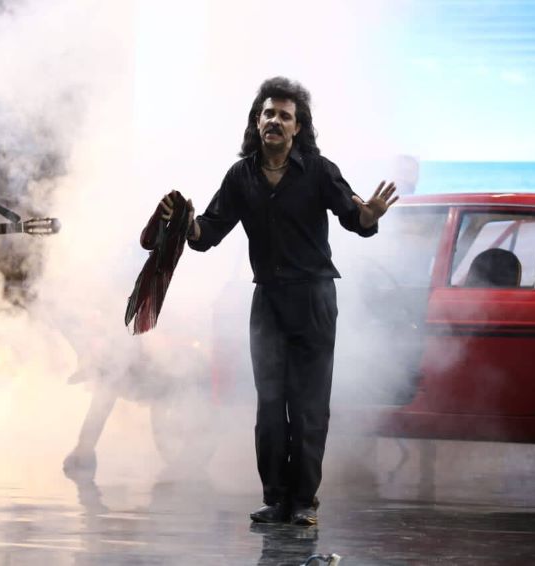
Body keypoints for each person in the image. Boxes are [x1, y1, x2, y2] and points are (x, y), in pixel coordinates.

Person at [159, 77, 397, 526]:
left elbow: (356, 218)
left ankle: (304, 501)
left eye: (285, 116)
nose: (275, 121)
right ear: (257, 121)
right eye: (268, 113)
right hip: (267, 299)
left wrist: (370, 215)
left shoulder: (320, 170)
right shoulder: (241, 176)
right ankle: (275, 498)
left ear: (298, 128)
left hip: (313, 298)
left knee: (308, 405)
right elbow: (207, 233)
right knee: (270, 405)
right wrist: (186, 223)